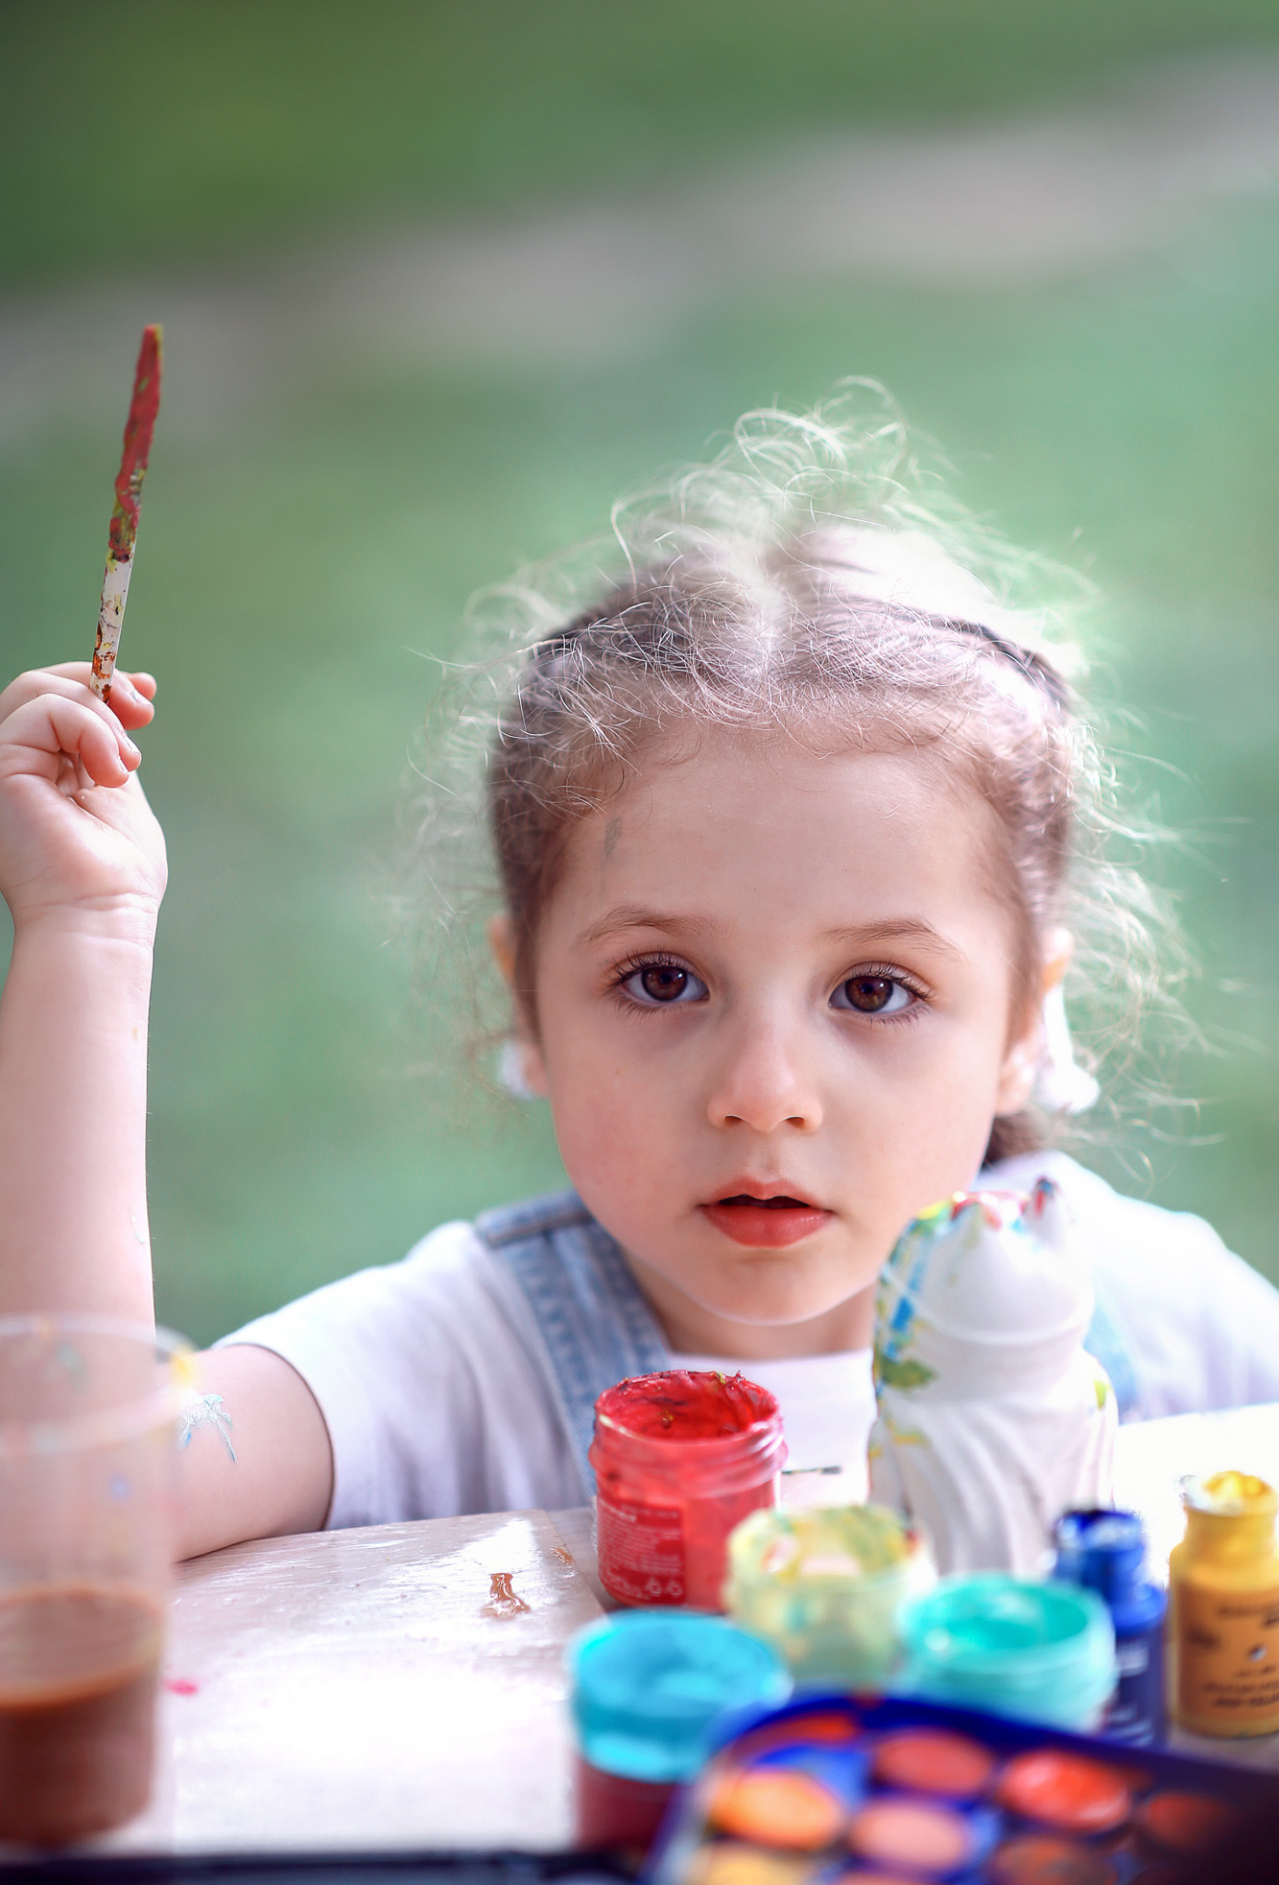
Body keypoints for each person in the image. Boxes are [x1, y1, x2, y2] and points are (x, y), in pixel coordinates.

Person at [2, 387, 1276, 1562]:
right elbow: (82, 1502)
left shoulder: (1170, 1323)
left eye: (874, 990)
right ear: (529, 1007)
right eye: (664, 981)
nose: (763, 1094)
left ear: (1024, 1021)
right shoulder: (459, 1364)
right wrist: (87, 929)